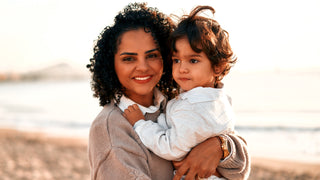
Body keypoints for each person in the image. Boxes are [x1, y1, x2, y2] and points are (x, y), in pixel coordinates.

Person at [87, 2, 250, 180]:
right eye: (128, 59)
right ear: (112, 65)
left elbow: (240, 170)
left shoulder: (178, 102)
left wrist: (221, 146)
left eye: (152, 55)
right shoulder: (111, 126)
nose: (142, 67)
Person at [123, 5, 238, 180]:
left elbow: (171, 148)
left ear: (217, 67)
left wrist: (140, 123)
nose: (182, 69)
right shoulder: (219, 99)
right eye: (176, 60)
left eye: (193, 60)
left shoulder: (195, 107)